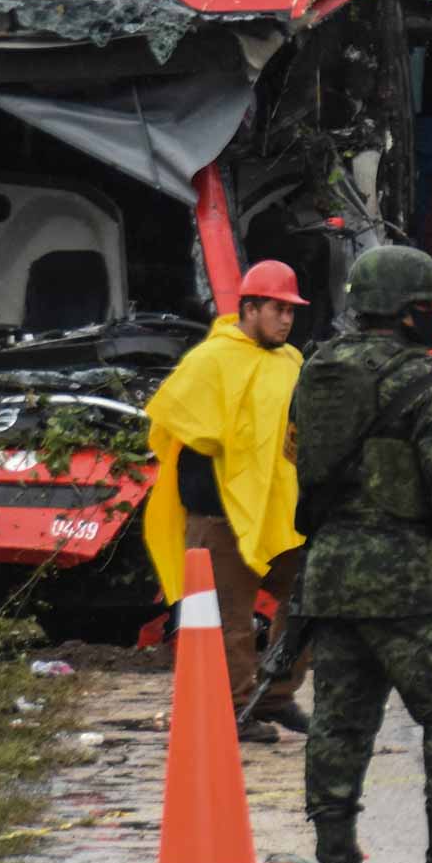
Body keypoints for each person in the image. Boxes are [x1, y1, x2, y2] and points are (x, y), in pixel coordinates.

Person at [292, 245, 432, 863]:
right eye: (429, 306)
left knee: (337, 727)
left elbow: (296, 454)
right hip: (408, 581)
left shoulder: (317, 372)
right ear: (407, 310)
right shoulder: (421, 381)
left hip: (330, 578)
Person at [142, 260, 311, 744]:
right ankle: (239, 710)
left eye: (291, 311)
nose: (286, 320)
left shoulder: (293, 362)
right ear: (250, 308)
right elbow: (179, 429)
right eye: (277, 309)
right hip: (219, 517)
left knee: (310, 598)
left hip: (279, 515)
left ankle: (274, 697)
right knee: (229, 624)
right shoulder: (208, 362)